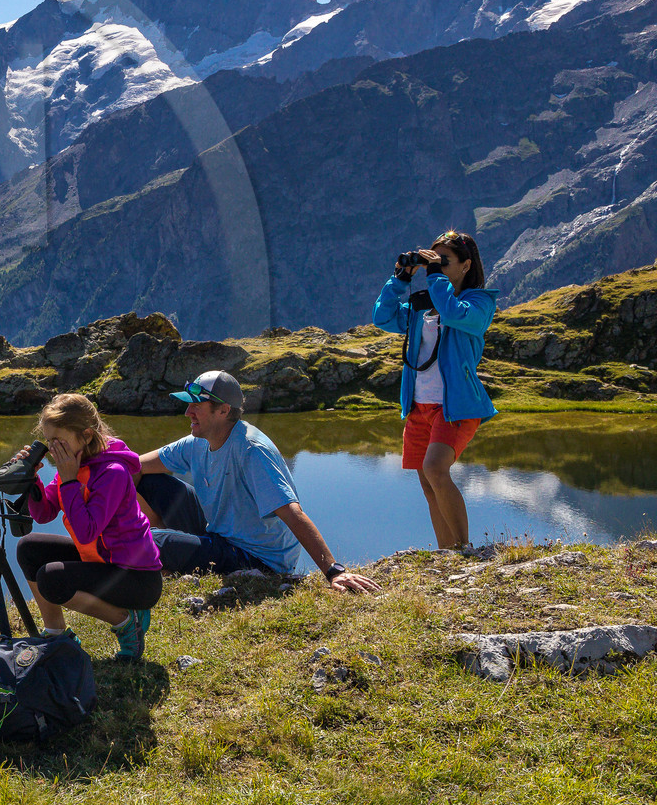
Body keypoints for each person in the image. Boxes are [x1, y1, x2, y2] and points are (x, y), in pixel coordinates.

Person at [136, 371, 380, 594]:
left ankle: (159, 559)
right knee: (151, 482)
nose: (188, 412)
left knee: (152, 539)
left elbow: (293, 513)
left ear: (223, 410)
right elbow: (135, 465)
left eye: (197, 405)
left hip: (255, 558)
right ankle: (166, 561)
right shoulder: (196, 442)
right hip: (221, 532)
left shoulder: (252, 450)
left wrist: (334, 571)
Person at [11, 394, 163, 662]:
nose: (53, 449)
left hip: (136, 578)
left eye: (60, 441)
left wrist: (69, 481)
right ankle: (56, 635)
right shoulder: (73, 467)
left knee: (51, 579)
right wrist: (31, 480)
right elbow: (44, 512)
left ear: (87, 435)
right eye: (49, 442)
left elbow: (87, 531)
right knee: (28, 548)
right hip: (101, 561)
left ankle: (127, 621)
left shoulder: (112, 472)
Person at [372, 230, 498, 550]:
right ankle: (448, 556)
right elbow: (382, 317)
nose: (438, 265)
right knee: (429, 485)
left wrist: (434, 275)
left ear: (466, 265)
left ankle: (464, 550)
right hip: (418, 408)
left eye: (445, 261)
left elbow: (454, 313)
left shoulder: (479, 302)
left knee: (435, 469)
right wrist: (399, 280)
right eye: (434, 259)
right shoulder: (421, 307)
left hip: (454, 406)